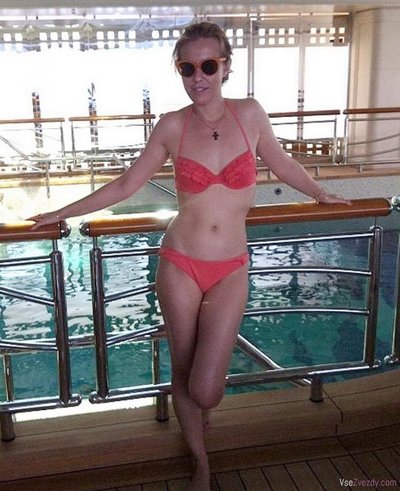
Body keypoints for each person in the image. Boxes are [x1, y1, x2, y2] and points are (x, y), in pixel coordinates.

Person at [30, 22, 350, 491]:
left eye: (207, 66)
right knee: (184, 369)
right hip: (180, 262)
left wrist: (321, 193)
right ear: (179, 70)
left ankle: (202, 414)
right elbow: (127, 184)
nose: (198, 77)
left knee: (206, 389)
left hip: (231, 267)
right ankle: (200, 460)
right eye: (187, 68)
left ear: (225, 66)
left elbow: (281, 163)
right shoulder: (172, 125)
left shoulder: (250, 114)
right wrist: (61, 212)